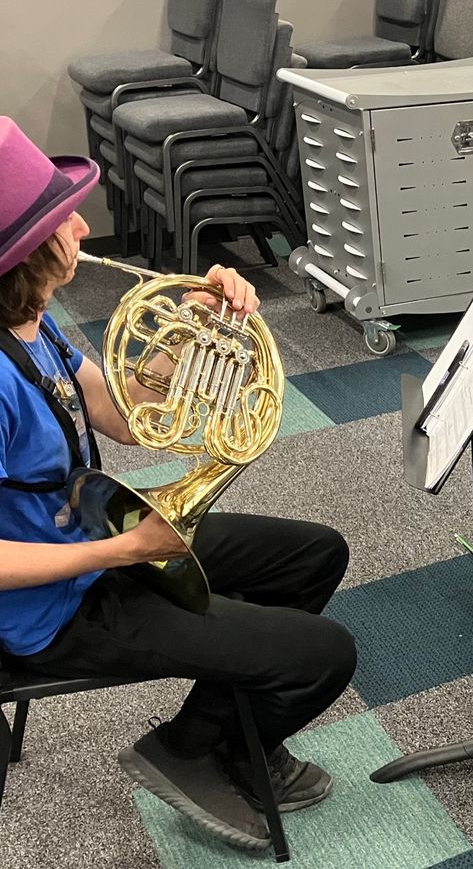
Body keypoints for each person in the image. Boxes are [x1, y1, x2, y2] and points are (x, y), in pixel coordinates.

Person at [0, 117, 357, 850]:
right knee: (326, 654)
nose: (81, 226)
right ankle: (202, 749)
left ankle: (210, 741)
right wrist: (125, 552)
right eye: (63, 218)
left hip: (94, 531)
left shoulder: (35, 321)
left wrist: (196, 330)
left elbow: (125, 417)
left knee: (316, 555)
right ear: (28, 253)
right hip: (49, 610)